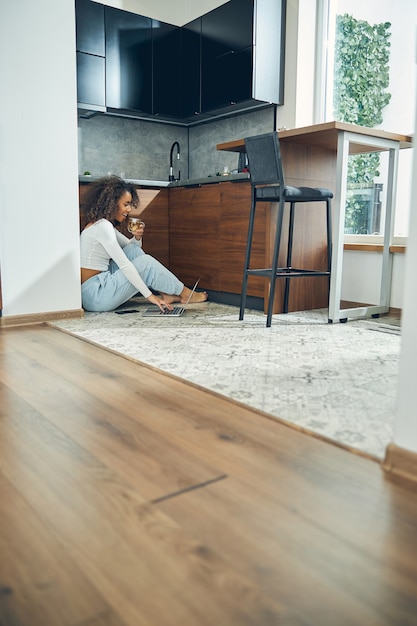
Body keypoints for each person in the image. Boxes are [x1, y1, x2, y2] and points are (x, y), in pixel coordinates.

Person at [80, 175, 208, 312]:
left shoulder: (101, 225)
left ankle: (167, 294)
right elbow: (125, 264)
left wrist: (137, 237)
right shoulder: (103, 227)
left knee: (133, 251)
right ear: (112, 203)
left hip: (97, 287)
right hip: (95, 295)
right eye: (126, 204)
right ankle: (186, 294)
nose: (129, 209)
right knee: (145, 263)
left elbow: (133, 249)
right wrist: (150, 296)